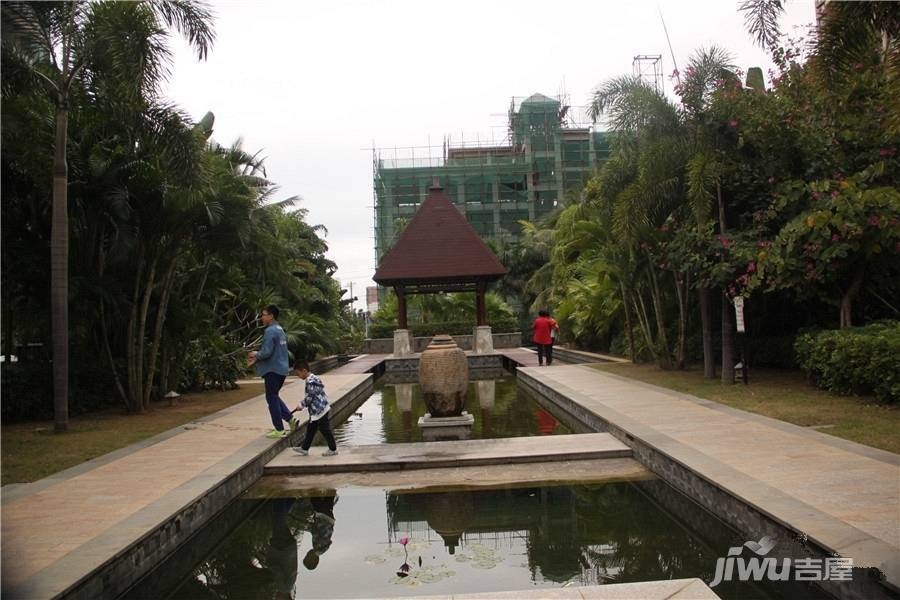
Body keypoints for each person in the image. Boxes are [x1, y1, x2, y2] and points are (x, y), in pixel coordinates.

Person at [248, 304, 295, 439]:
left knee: (271, 398)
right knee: (273, 396)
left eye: (264, 314)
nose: (261, 317)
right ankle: (290, 419)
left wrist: (256, 354)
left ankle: (279, 429)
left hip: (273, 370)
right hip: (282, 369)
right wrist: (257, 358)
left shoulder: (270, 331)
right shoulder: (280, 330)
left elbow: (267, 352)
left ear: (271, 316)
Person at [291, 360, 339, 456]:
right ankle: (304, 448)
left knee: (324, 429)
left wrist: (301, 405)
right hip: (319, 408)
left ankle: (333, 449)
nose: (298, 376)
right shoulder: (314, 377)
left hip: (319, 410)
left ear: (304, 371)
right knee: (311, 428)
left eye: (298, 374)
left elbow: (310, 397)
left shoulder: (310, 381)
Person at [302, 492, 338, 571]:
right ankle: (315, 488)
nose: (307, 553)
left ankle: (331, 489)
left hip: (329, 521)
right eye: (307, 556)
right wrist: (304, 526)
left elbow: (327, 539)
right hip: (323, 519)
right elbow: (314, 530)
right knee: (315, 499)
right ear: (313, 559)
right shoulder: (317, 547)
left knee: (328, 502)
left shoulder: (322, 549)